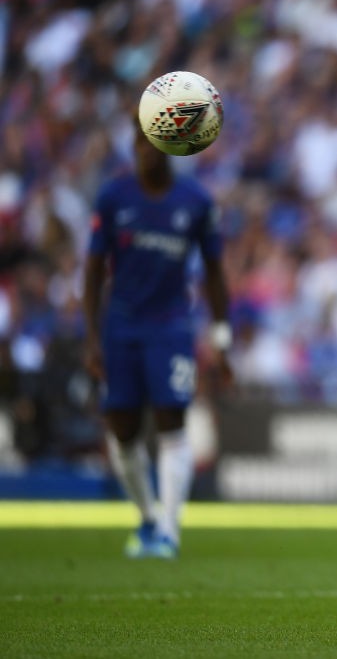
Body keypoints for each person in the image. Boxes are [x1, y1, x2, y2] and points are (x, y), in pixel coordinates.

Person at [83, 128, 233, 559]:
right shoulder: (114, 197)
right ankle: (148, 517)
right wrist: (92, 337)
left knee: (172, 420)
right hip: (122, 326)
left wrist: (221, 338)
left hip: (171, 326)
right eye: (138, 142)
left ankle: (169, 529)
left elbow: (215, 272)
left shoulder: (197, 201)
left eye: (153, 142)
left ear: (171, 147)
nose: (145, 151)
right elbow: (93, 271)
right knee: (122, 428)